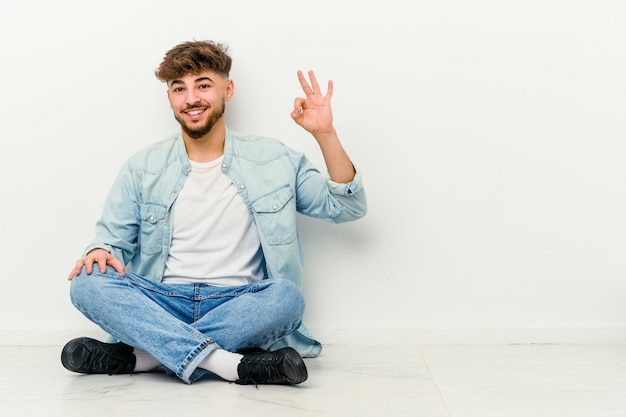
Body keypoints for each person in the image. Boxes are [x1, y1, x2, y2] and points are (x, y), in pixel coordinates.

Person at [60, 40, 367, 386]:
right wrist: (101, 250)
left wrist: (325, 134)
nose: (191, 98)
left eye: (203, 85)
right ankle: (231, 365)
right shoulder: (141, 167)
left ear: (228, 89)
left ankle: (146, 357)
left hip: (239, 303)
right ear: (170, 98)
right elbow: (111, 241)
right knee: (87, 282)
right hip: (163, 303)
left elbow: (347, 206)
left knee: (287, 298)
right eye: (180, 88)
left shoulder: (275, 158)